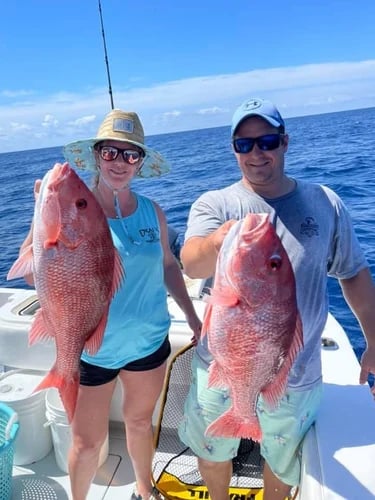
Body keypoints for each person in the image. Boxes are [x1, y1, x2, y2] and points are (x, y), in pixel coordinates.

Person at [178, 97, 375, 500]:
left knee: (283, 463)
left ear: (284, 142)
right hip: (222, 365)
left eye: (266, 140)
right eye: (244, 144)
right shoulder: (215, 204)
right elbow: (192, 264)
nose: (256, 153)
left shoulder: (325, 203)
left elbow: (353, 273)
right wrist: (218, 241)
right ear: (233, 149)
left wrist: (374, 340)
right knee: (212, 452)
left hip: (297, 372)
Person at [21, 108, 202, 500]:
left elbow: (169, 266)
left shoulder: (154, 211)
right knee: (86, 444)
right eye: (111, 152)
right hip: (91, 349)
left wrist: (192, 316)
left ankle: (143, 489)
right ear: (97, 156)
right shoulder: (65, 210)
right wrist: (42, 214)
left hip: (149, 344)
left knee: (139, 423)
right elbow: (33, 274)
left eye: (130, 154)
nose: (120, 162)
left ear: (140, 162)